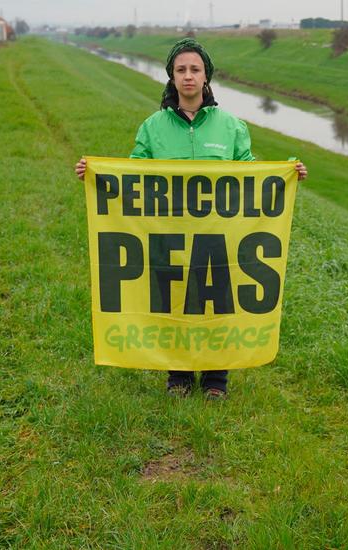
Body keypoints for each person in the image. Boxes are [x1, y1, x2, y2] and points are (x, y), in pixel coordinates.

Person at [76, 37, 308, 399]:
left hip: (218, 234)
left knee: (216, 299)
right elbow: (134, 174)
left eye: (194, 70)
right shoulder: (153, 126)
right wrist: (98, 176)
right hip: (167, 234)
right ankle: (179, 376)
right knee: (175, 299)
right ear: (171, 77)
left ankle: (217, 379)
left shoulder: (231, 126)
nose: (188, 76)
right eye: (181, 70)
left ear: (206, 77)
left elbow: (248, 173)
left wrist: (286, 175)